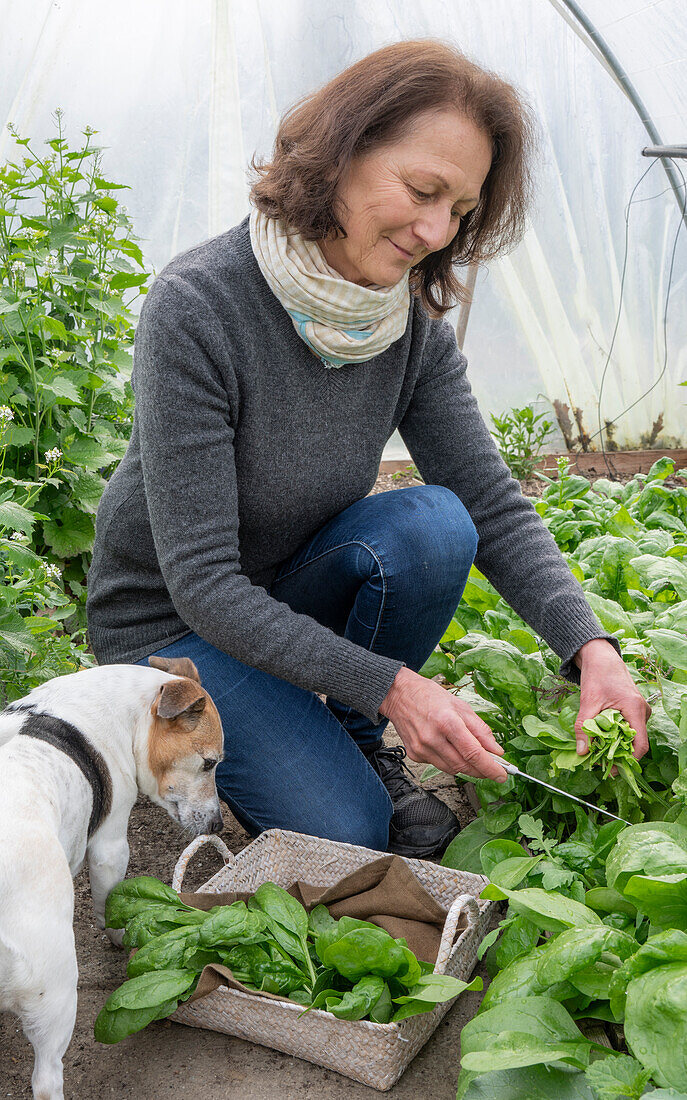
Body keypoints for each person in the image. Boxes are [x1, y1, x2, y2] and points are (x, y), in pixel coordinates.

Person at [86, 39, 650, 860]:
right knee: (351, 835)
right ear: (338, 155)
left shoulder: (405, 328)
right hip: (175, 622)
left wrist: (589, 648)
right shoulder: (199, 305)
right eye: (421, 191)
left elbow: (488, 503)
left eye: (459, 210)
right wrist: (397, 687)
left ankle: (352, 733)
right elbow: (202, 581)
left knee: (435, 524)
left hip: (284, 584)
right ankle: (333, 729)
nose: (433, 230)